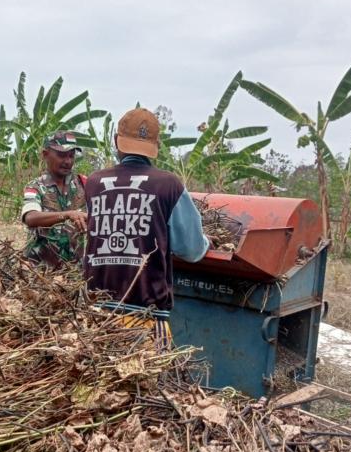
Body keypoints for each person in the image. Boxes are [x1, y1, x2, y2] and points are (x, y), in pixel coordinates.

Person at [83, 108, 210, 349]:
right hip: (146, 323)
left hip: (94, 318)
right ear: (155, 146)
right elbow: (191, 251)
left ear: (116, 141)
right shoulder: (168, 185)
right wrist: (207, 243)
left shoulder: (94, 183)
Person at [20, 131, 88, 268]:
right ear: (45, 155)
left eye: (71, 156)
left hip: (76, 271)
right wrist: (68, 214)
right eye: (62, 155)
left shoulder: (84, 183)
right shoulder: (35, 187)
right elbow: (30, 217)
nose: (68, 161)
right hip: (41, 272)